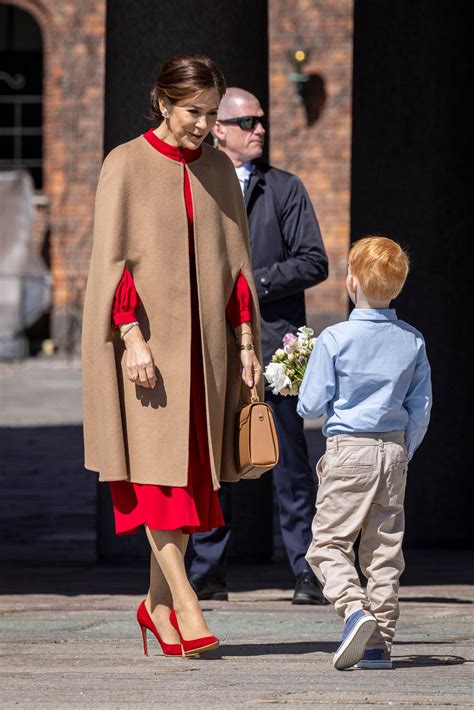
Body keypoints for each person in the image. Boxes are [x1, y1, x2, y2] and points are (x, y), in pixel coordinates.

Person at [81, 55, 264, 658]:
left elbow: (236, 268)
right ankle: (186, 603)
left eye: (212, 114)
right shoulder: (125, 164)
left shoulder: (217, 167)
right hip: (148, 355)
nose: (205, 125)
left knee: (189, 485)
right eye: (194, 112)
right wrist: (130, 341)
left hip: (205, 358)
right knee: (157, 483)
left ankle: (154, 607)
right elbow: (113, 265)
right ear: (162, 102)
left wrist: (244, 347)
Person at [187, 88, 329, 605]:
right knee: (212, 459)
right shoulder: (199, 183)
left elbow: (315, 261)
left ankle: (307, 570)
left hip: (274, 348)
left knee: (289, 462)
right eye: (247, 122)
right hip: (214, 344)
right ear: (217, 129)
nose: (259, 130)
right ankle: (208, 569)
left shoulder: (285, 189)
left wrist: (253, 282)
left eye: (261, 121)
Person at [297, 236, 432, 670]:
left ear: (351, 281)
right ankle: (379, 645)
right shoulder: (412, 341)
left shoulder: (335, 338)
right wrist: (404, 449)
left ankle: (355, 610)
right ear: (398, 287)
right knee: (384, 551)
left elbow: (311, 404)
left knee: (327, 544)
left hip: (348, 451)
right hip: (394, 450)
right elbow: (421, 408)